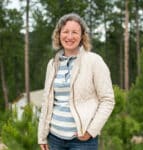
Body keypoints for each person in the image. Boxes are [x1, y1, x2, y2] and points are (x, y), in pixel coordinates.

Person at [38, 13, 115, 150]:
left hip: (82, 141)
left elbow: (107, 100)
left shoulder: (94, 61)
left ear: (82, 36)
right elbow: (46, 101)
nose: (69, 36)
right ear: (58, 34)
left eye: (75, 32)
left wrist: (91, 131)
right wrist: (42, 136)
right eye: (65, 31)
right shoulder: (52, 64)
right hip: (54, 138)